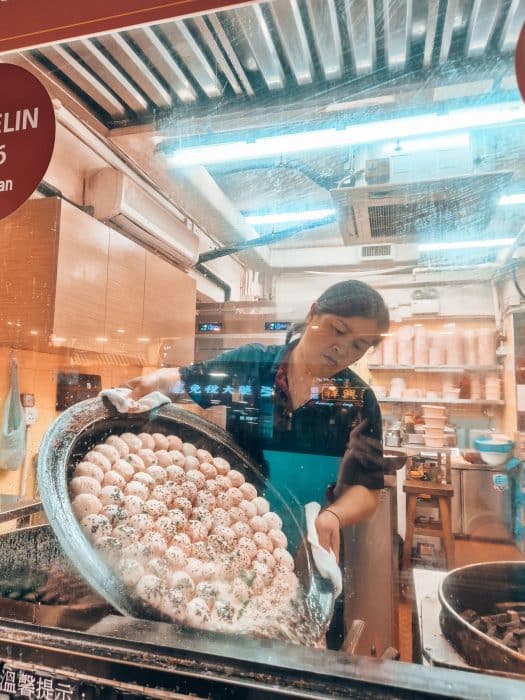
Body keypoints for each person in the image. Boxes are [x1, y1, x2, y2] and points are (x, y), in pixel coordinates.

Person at [127, 279, 389, 647]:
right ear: (313, 312)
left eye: (357, 345)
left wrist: (333, 516)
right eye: (337, 330)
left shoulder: (357, 399)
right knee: (222, 645)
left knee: (294, 652)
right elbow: (185, 379)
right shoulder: (252, 367)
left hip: (303, 554)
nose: (340, 349)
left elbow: (366, 488)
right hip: (231, 539)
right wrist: (153, 380)